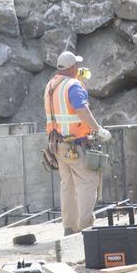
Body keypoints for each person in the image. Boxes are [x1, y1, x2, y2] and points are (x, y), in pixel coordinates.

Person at [44, 50, 113, 235]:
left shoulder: (51, 85)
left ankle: (70, 227)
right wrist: (98, 129)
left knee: (68, 185)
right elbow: (81, 110)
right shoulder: (73, 85)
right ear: (73, 67)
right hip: (75, 144)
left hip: (57, 144)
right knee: (87, 182)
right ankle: (85, 226)